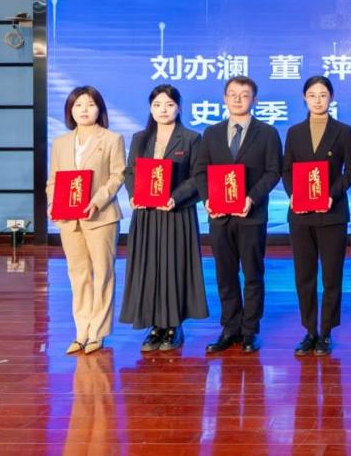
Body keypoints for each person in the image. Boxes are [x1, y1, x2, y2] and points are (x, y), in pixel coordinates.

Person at [193, 76, 283, 354]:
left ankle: (249, 330)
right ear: (224, 98)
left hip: (251, 216)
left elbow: (273, 172)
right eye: (232, 94)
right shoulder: (211, 133)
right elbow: (200, 171)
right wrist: (209, 200)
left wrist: (251, 198)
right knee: (225, 274)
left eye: (244, 95)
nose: (237, 99)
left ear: (254, 100)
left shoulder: (267, 133)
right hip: (220, 217)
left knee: (253, 274)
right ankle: (229, 327)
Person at [120, 84, 208, 351]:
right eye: (157, 105)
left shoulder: (192, 138)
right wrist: (134, 194)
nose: (163, 110)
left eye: (169, 105)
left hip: (176, 213)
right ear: (150, 108)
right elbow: (130, 172)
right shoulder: (140, 138)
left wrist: (175, 197)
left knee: (174, 267)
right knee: (150, 268)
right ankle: (154, 326)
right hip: (146, 214)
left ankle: (173, 326)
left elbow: (198, 176)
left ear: (179, 108)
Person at [46, 85, 125, 355]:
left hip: (100, 216)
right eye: (78, 105)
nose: (84, 110)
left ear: (99, 109)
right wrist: (52, 203)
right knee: (78, 274)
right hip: (68, 219)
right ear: (70, 110)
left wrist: (97, 201)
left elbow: (117, 176)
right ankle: (81, 331)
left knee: (103, 273)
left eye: (90, 104)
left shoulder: (112, 139)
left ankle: (97, 332)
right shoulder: (61, 142)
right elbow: (54, 179)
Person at [282, 76, 351, 356]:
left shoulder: (343, 131)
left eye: (323, 95)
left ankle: (325, 332)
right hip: (301, 214)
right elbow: (287, 169)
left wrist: (331, 195)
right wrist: (294, 194)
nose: (317, 100)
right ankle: (309, 331)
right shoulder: (294, 132)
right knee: (304, 276)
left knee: (331, 276)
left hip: (332, 213)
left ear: (331, 97)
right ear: (304, 98)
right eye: (312, 95)